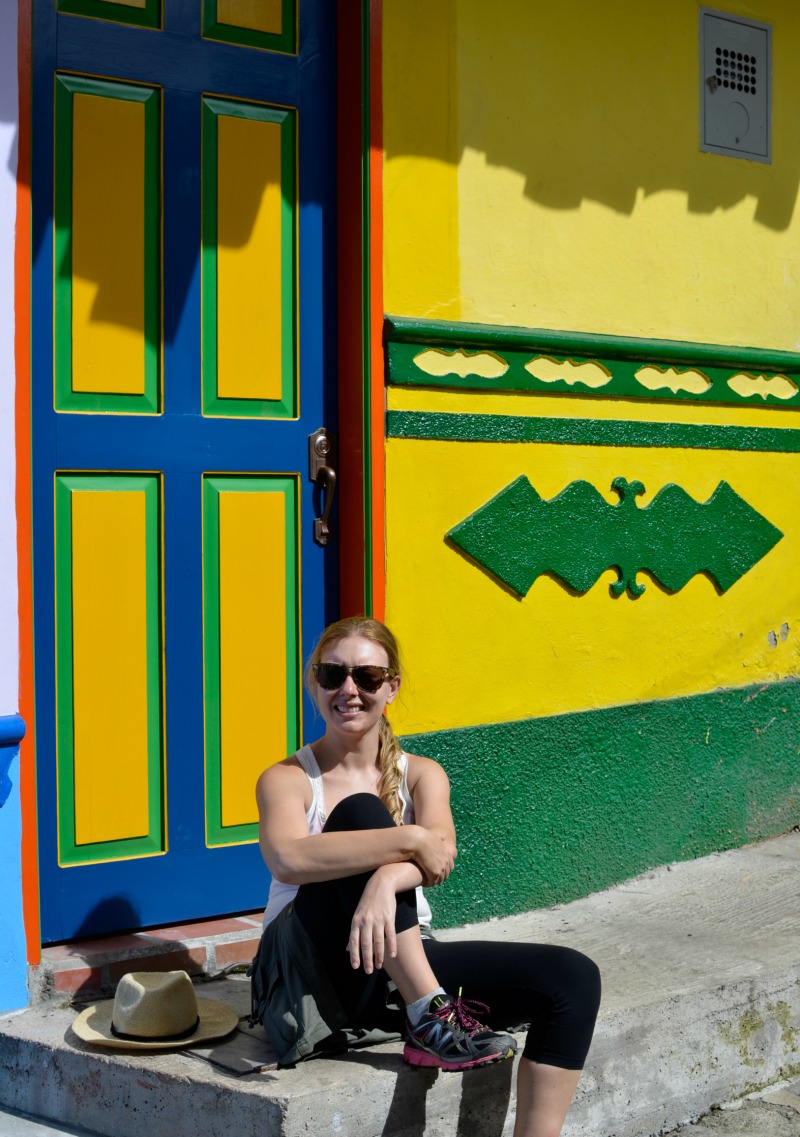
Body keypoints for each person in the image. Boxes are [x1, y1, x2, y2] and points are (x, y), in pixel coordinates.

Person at [255, 616, 601, 1137]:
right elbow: (288, 860)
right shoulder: (287, 778)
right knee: (360, 813)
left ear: (391, 687)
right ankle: (430, 1014)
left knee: (572, 978)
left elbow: (440, 861)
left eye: (368, 678)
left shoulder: (422, 774)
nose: (349, 689)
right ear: (314, 684)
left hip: (395, 963)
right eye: (333, 675)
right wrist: (410, 841)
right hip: (311, 973)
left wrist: (383, 881)